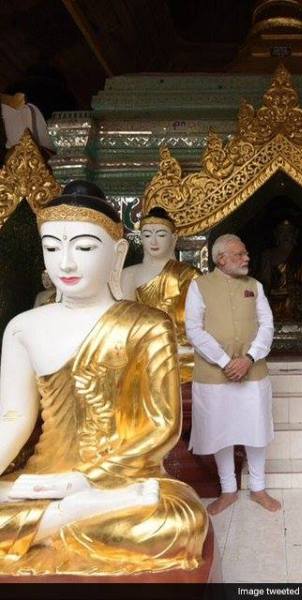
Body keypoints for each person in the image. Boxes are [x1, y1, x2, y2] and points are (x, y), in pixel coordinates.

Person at [0, 180, 207, 576]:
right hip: (44, 477)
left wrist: (85, 479)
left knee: (180, 523)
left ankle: (62, 517)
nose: (65, 264)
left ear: (118, 252)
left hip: (121, 479)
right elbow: (12, 418)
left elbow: (163, 426)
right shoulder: (23, 327)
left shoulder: (147, 325)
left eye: (83, 247)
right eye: (52, 248)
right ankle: (70, 516)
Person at [185, 233, 280, 515]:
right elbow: (194, 330)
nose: (246, 258)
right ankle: (228, 491)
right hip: (214, 373)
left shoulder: (255, 286)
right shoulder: (199, 286)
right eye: (240, 254)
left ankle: (258, 488)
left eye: (246, 253)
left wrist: (249, 358)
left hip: (253, 370)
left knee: (255, 428)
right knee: (220, 431)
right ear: (221, 259)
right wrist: (226, 361)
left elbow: (267, 325)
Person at [122, 206, 200, 382]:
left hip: (182, 350)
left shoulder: (188, 275)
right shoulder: (128, 274)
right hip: (143, 348)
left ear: (173, 238)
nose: (154, 241)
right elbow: (125, 321)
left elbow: (199, 321)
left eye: (161, 235)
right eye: (147, 235)